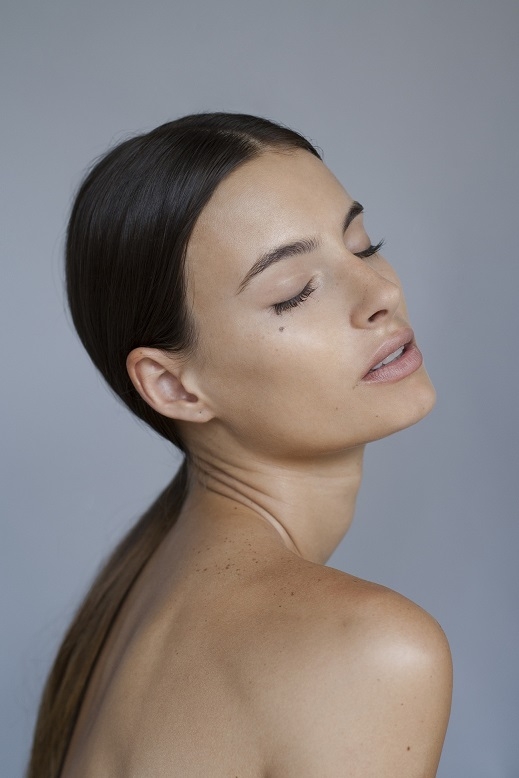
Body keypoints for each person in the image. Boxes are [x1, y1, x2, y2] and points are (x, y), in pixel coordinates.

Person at [26, 112, 452, 778]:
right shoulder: (367, 649)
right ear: (172, 386)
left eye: (363, 246)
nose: (382, 292)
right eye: (296, 292)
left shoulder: (137, 604)